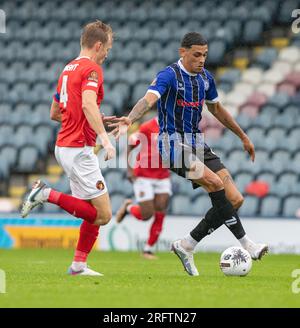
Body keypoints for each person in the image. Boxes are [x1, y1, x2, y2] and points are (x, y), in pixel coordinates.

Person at [108, 32, 268, 276]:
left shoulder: (205, 79)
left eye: (204, 54)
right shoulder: (169, 75)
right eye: (196, 54)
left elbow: (217, 109)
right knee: (215, 184)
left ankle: (187, 244)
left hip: (197, 145)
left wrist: (243, 136)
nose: (201, 59)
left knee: (235, 199)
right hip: (171, 147)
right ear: (182, 52)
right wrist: (129, 118)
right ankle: (248, 244)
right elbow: (148, 99)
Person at [21, 21, 115, 276]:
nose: (108, 53)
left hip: (64, 145)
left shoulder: (67, 69)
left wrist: (92, 117)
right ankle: (46, 194)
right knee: (104, 215)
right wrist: (104, 138)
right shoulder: (92, 69)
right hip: (78, 149)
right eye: (108, 47)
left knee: (91, 212)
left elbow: (55, 112)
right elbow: (86, 104)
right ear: (98, 45)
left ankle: (78, 266)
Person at [116, 116, 171, 259]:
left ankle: (148, 250)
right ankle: (128, 207)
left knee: (161, 209)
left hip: (162, 176)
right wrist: (129, 170)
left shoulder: (176, 125)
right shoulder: (147, 126)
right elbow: (130, 144)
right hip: (144, 175)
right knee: (147, 215)